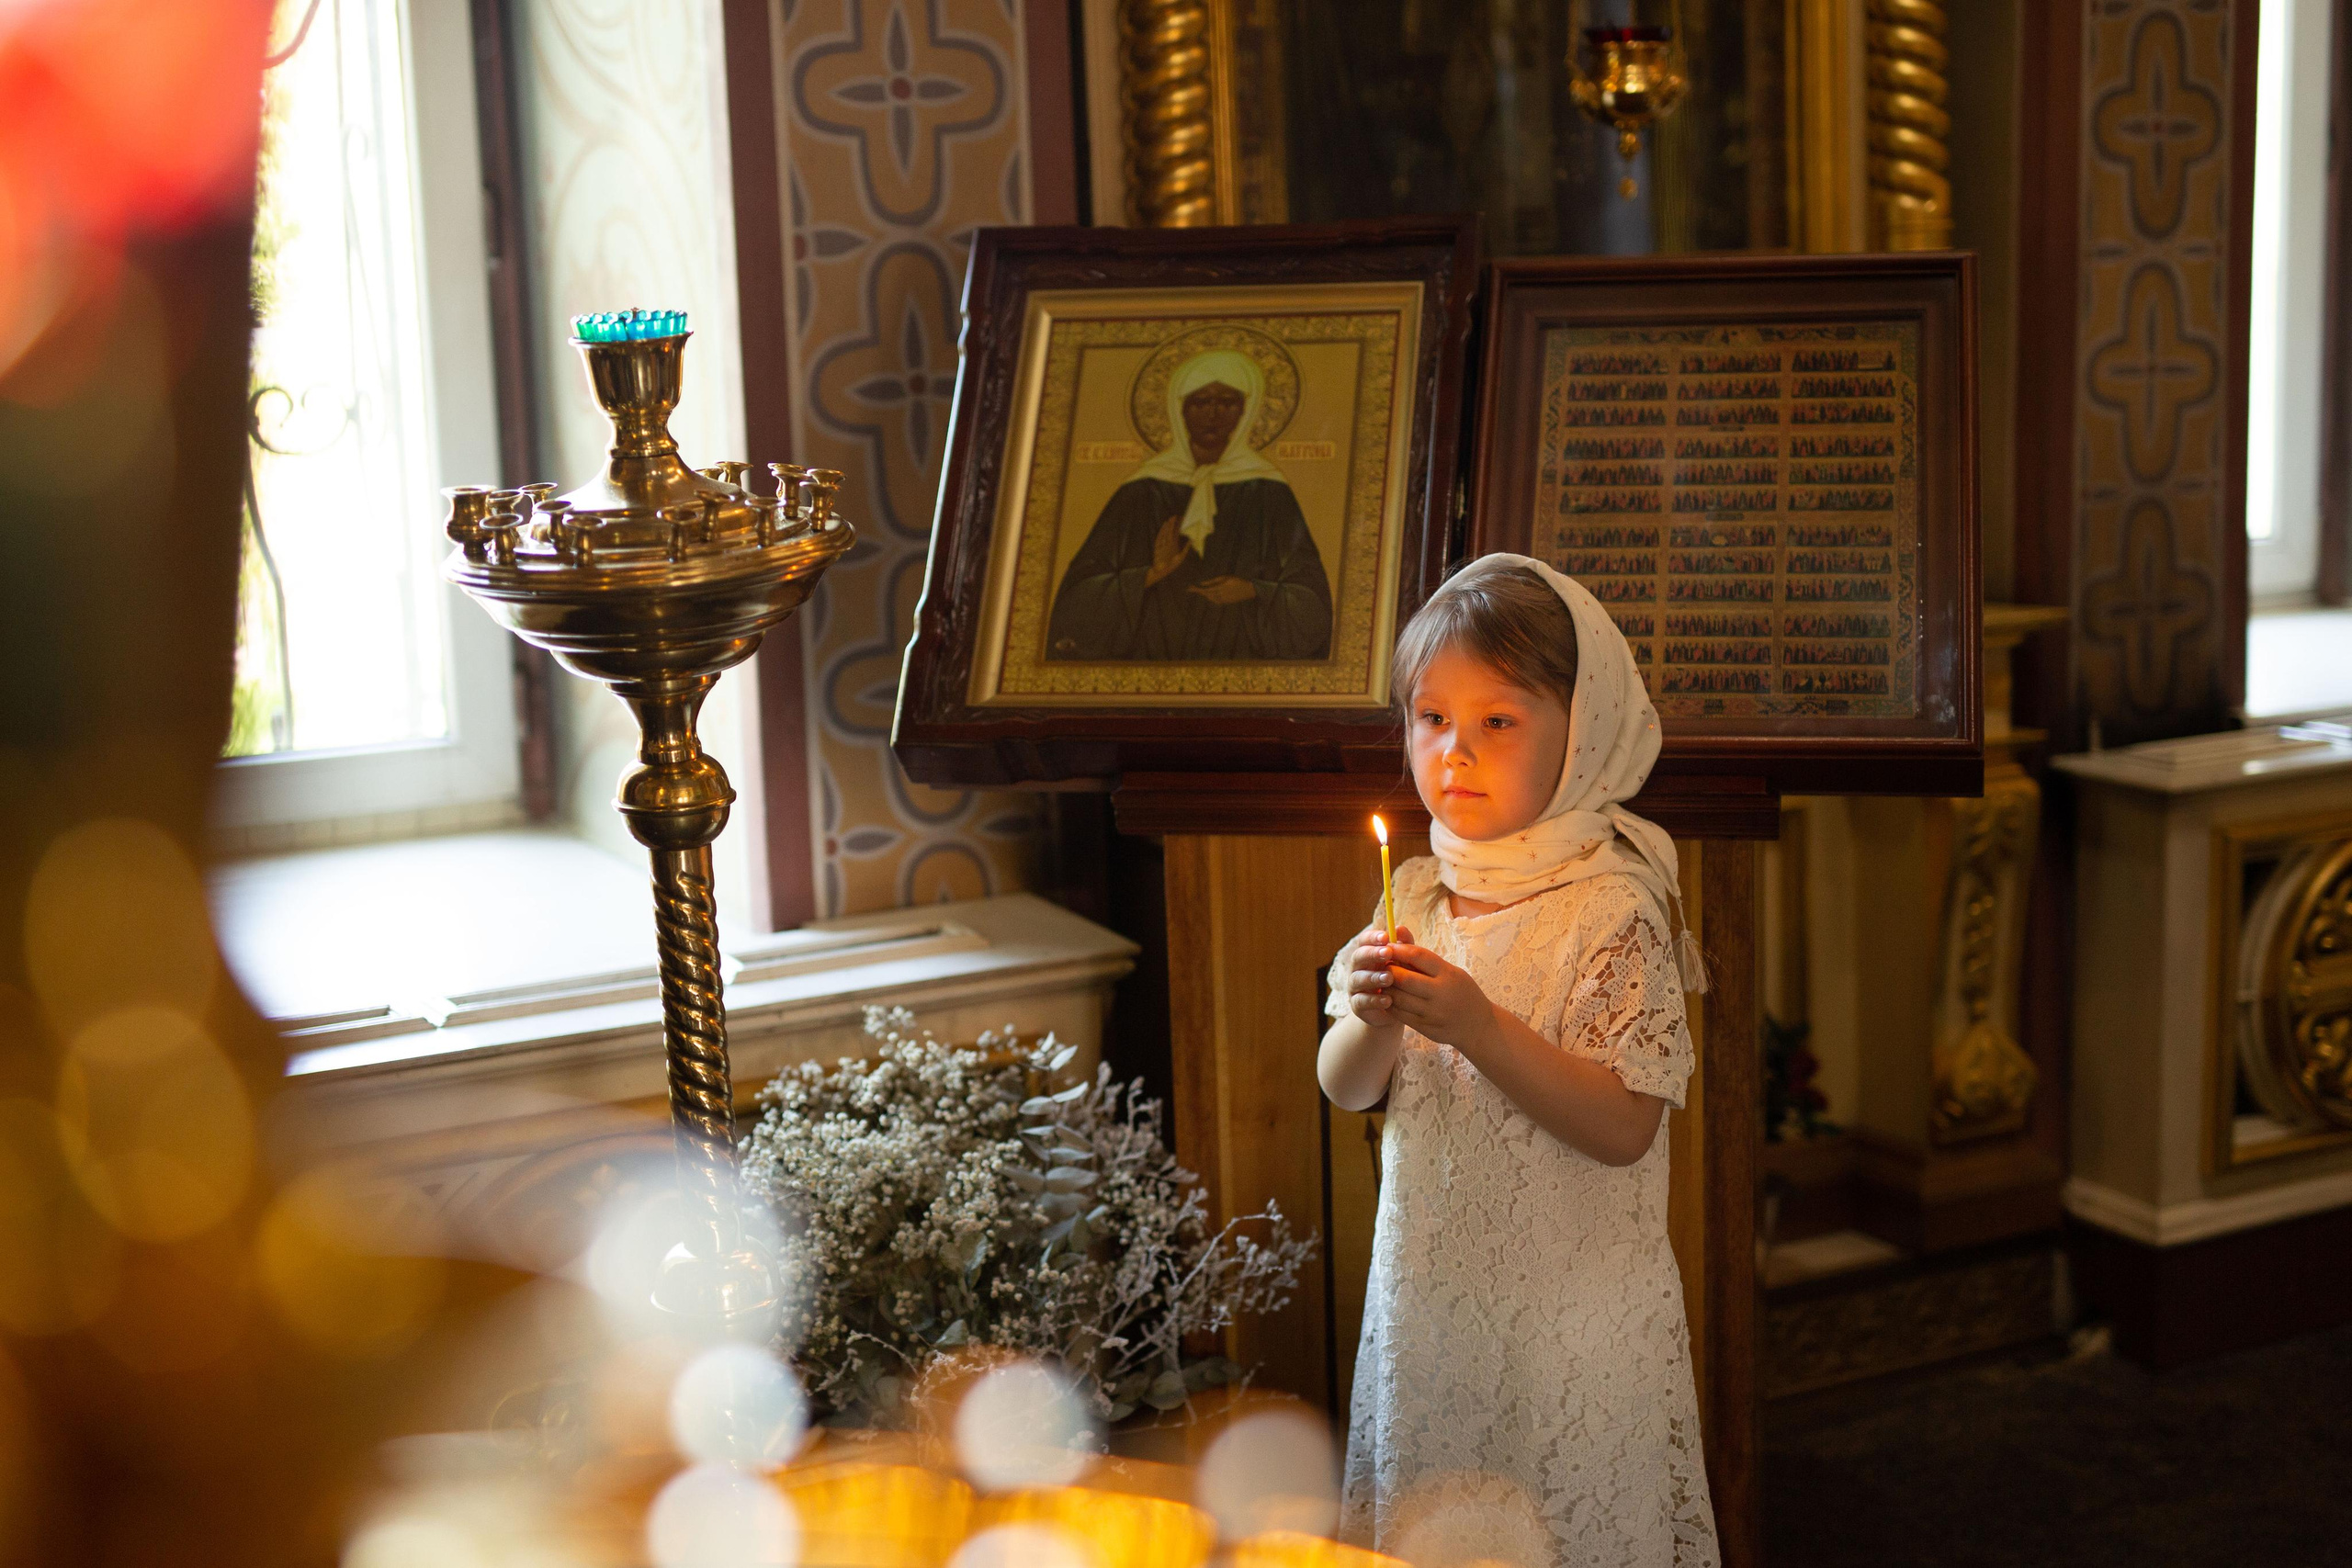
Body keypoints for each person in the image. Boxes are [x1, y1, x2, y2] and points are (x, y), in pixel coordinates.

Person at [1317, 553, 1719, 1567]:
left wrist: (1482, 1028)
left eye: (1497, 719)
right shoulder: (1414, 894)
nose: (1455, 750)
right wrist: (1371, 1018)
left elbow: (1623, 1126)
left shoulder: (1612, 905)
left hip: (1573, 1313)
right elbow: (1347, 1086)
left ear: (1580, 732)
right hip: (1435, 1302)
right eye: (1431, 717)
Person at [1045, 348, 1332, 661]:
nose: (1213, 413)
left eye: (1227, 402)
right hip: (1147, 658)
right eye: (1200, 401)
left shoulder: (1270, 492)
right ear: (1178, 407)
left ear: (1246, 410)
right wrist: (1149, 575)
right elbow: (1076, 601)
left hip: (1241, 659)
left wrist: (1252, 590)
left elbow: (1311, 600)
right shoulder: (1141, 491)